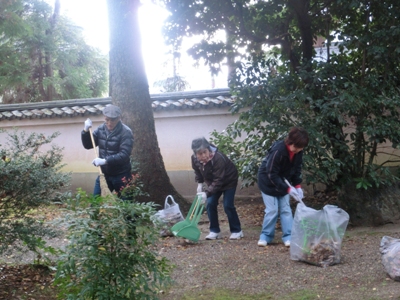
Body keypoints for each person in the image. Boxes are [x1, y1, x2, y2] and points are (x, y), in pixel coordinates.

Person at [257, 127, 309, 247]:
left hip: (284, 181)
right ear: (290, 142)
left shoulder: (298, 152)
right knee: (272, 210)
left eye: (301, 148)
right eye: (297, 147)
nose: (298, 150)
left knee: (285, 209)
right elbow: (271, 173)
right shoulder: (278, 151)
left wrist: (297, 185)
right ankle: (265, 236)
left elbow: (296, 169)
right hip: (268, 182)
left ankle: (288, 237)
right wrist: (288, 189)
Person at [191, 137, 243, 240]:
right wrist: (200, 184)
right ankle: (215, 231)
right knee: (210, 203)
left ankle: (237, 231)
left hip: (228, 181)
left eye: (204, 152)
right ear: (195, 153)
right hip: (213, 183)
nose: (203, 156)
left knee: (228, 205)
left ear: (208, 149)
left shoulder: (218, 158)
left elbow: (219, 180)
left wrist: (206, 193)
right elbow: (198, 171)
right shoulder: (194, 158)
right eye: (199, 154)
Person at [81, 104, 134, 198]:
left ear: (119, 118)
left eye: (112, 120)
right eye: (107, 120)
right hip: (104, 175)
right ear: (104, 118)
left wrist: (104, 161)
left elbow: (124, 154)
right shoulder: (101, 129)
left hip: (121, 175)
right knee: (96, 203)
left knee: (126, 205)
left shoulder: (126, 132)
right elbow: (88, 145)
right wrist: (85, 131)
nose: (109, 123)